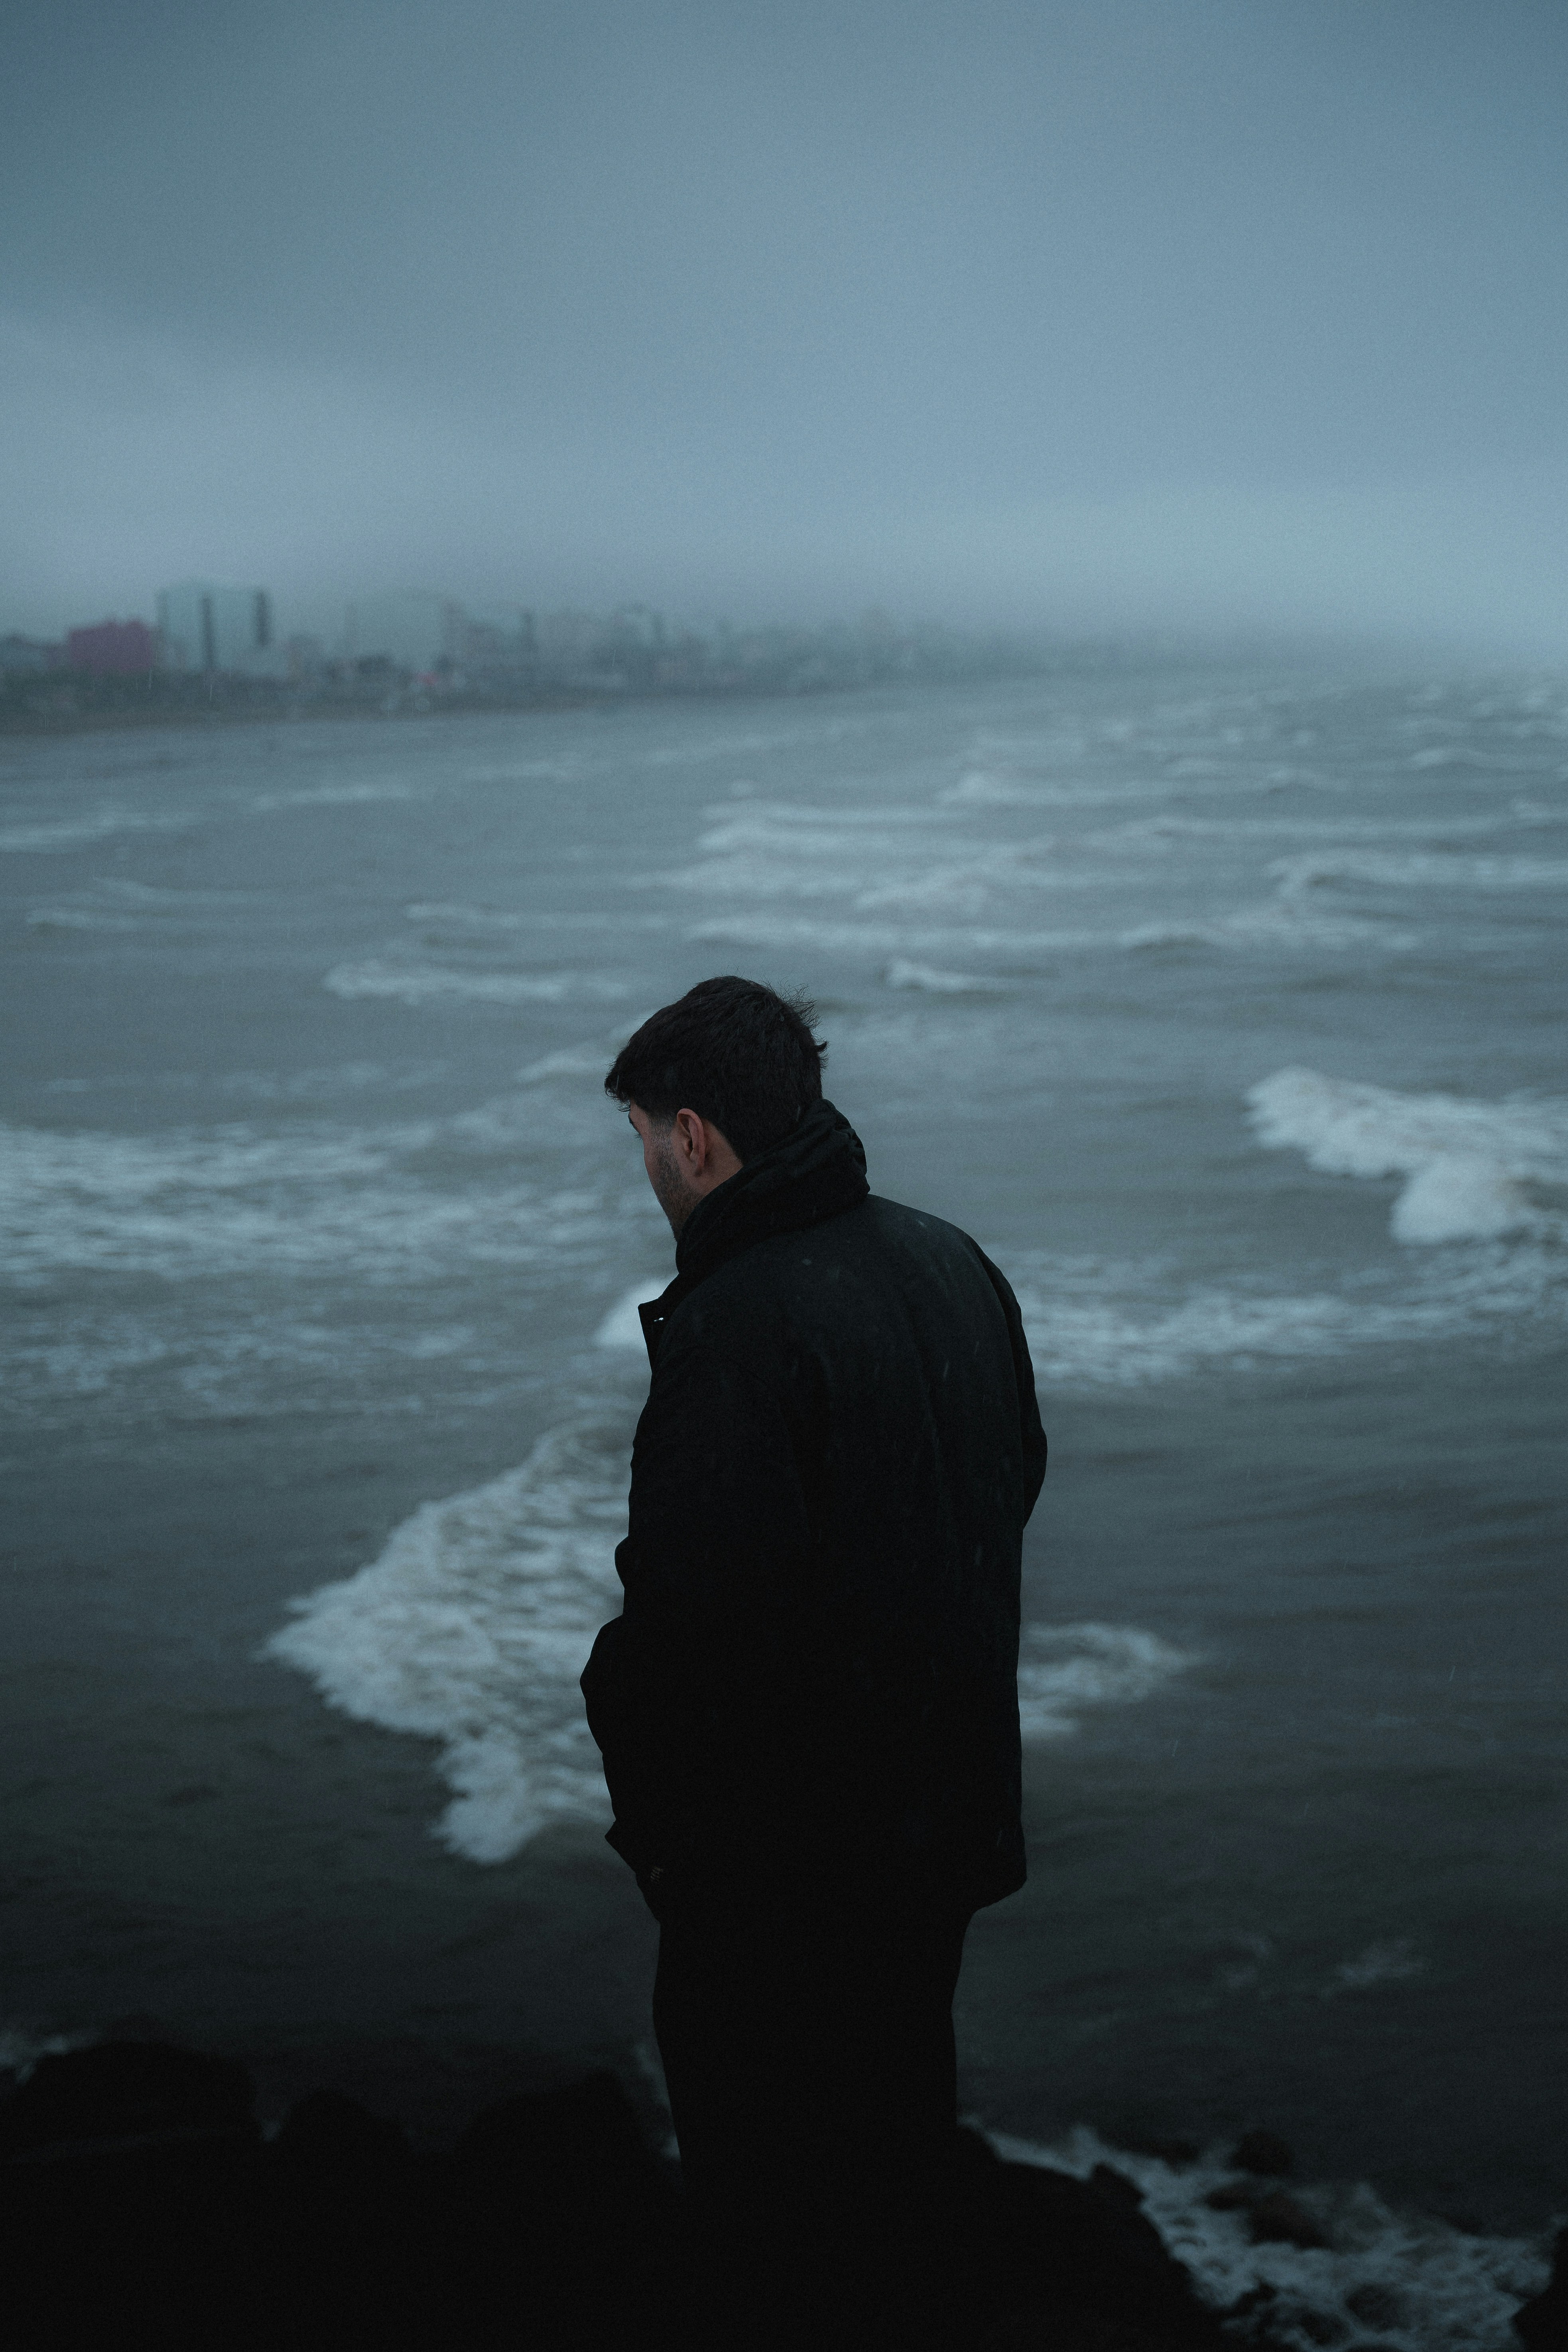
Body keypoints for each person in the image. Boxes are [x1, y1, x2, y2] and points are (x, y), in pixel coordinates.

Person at [581, 976, 1047, 2346]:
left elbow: (689, 1624)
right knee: (892, 2166)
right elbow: (1008, 1481)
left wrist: (664, 1842)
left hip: (782, 1873)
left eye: (641, 1136)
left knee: (769, 2217)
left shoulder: (738, 1320)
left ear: (693, 1135)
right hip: (939, 1824)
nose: (645, 1165)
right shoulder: (950, 1257)